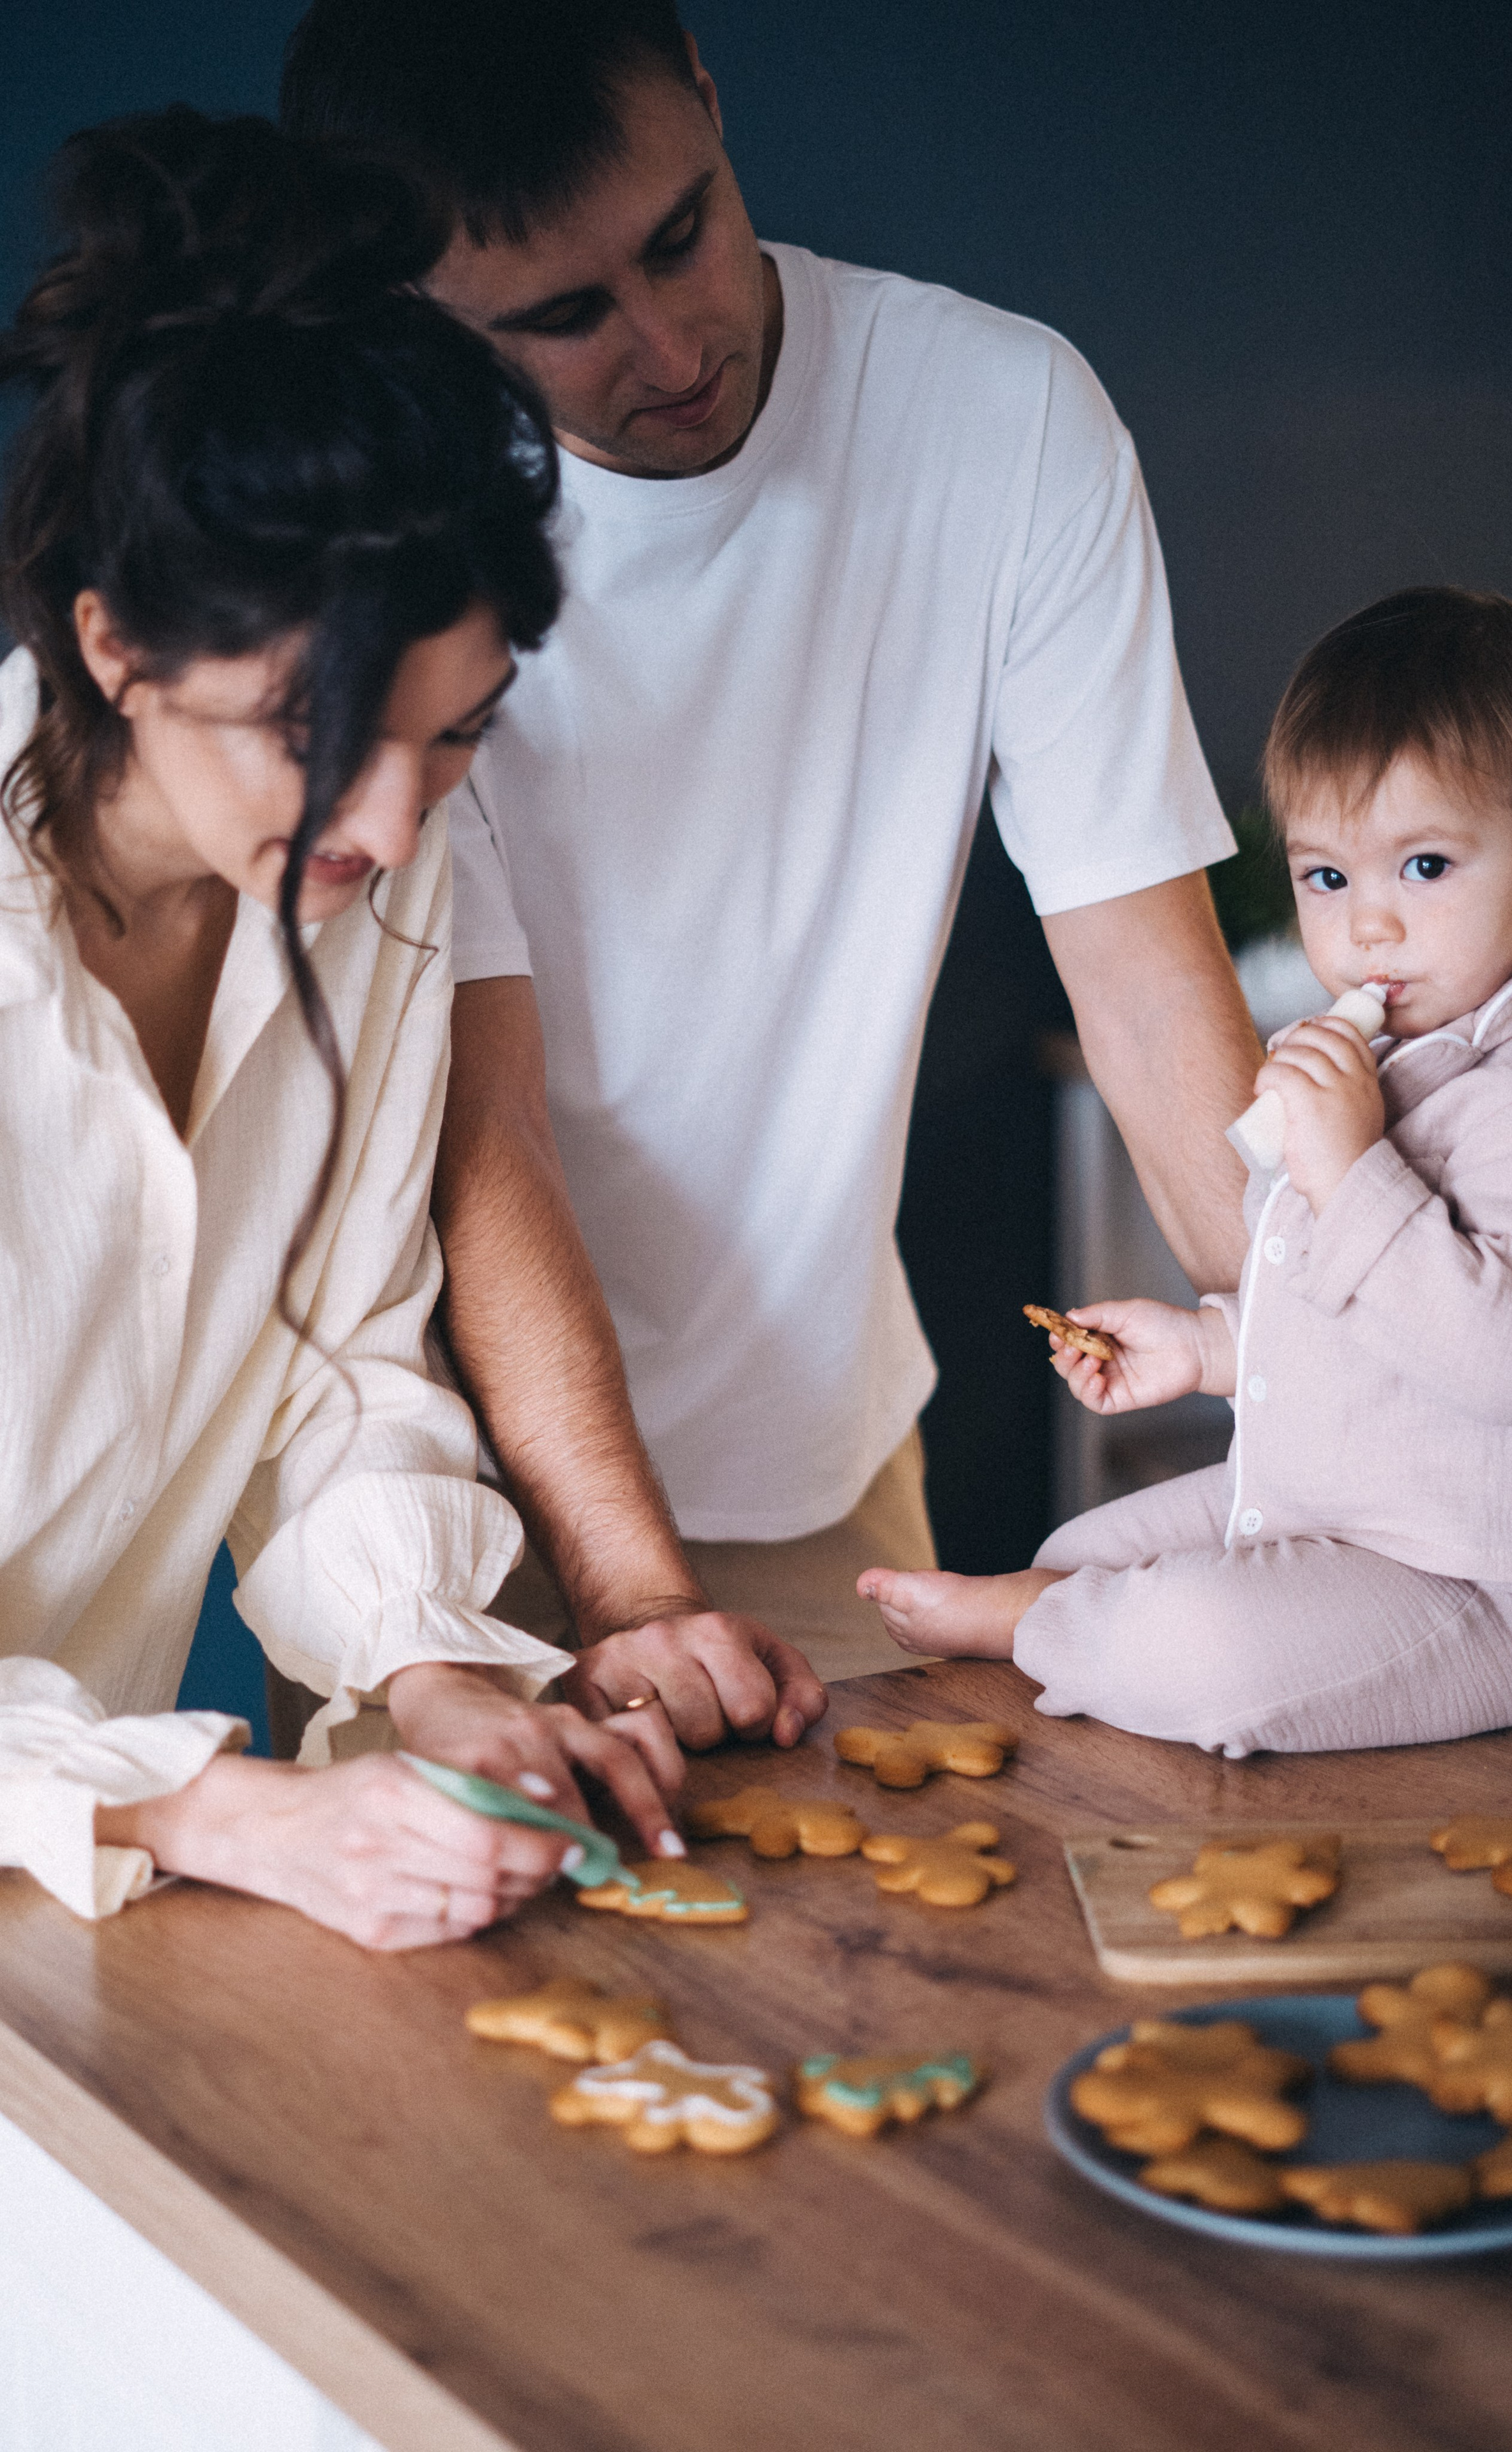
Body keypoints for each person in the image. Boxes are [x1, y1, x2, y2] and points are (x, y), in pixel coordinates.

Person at [279, 0, 1265, 1724]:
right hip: (431, 1513)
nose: (672, 345)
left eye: (686, 233)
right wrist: (638, 1590)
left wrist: (1369, 1422)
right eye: (568, 316)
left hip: (826, 1459)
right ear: (414, 299)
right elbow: (482, 1125)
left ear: (712, 107)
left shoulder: (1004, 418)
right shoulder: (397, 525)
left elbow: (1148, 990)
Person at [0, 107, 686, 1942]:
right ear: (113, 647)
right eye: (316, 733)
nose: (385, 822)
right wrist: (225, 1813)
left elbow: (346, 1356)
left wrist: (431, 1670)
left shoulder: (375, 876)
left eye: (454, 732)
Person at [862, 587, 1512, 1755]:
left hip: (1486, 1584)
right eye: (1329, 880)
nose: (1368, 928)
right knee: (1080, 1551)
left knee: (1198, 1645)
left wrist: (1353, 1163)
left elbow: (1509, 1360)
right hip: (1335, 1502)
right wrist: (1211, 1344)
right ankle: (1057, 1611)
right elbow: (1352, 1317)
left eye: (1424, 866)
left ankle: (1055, 1633)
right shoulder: (1387, 1054)